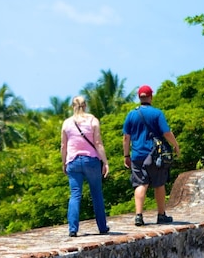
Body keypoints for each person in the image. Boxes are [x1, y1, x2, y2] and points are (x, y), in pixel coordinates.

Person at [122, 84, 180, 226]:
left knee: (141, 184)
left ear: (139, 98)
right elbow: (166, 132)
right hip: (155, 155)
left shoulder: (131, 114)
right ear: (151, 97)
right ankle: (161, 215)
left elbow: (126, 137)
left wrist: (126, 155)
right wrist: (175, 144)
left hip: (137, 155)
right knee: (159, 184)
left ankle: (139, 216)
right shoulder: (157, 113)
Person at [61, 96, 110, 237]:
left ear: (72, 106)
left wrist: (64, 162)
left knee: (75, 195)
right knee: (96, 194)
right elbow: (98, 143)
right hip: (91, 161)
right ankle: (102, 227)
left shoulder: (67, 123)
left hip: (73, 161)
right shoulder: (93, 120)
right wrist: (105, 162)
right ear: (86, 105)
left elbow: (63, 146)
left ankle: (73, 229)